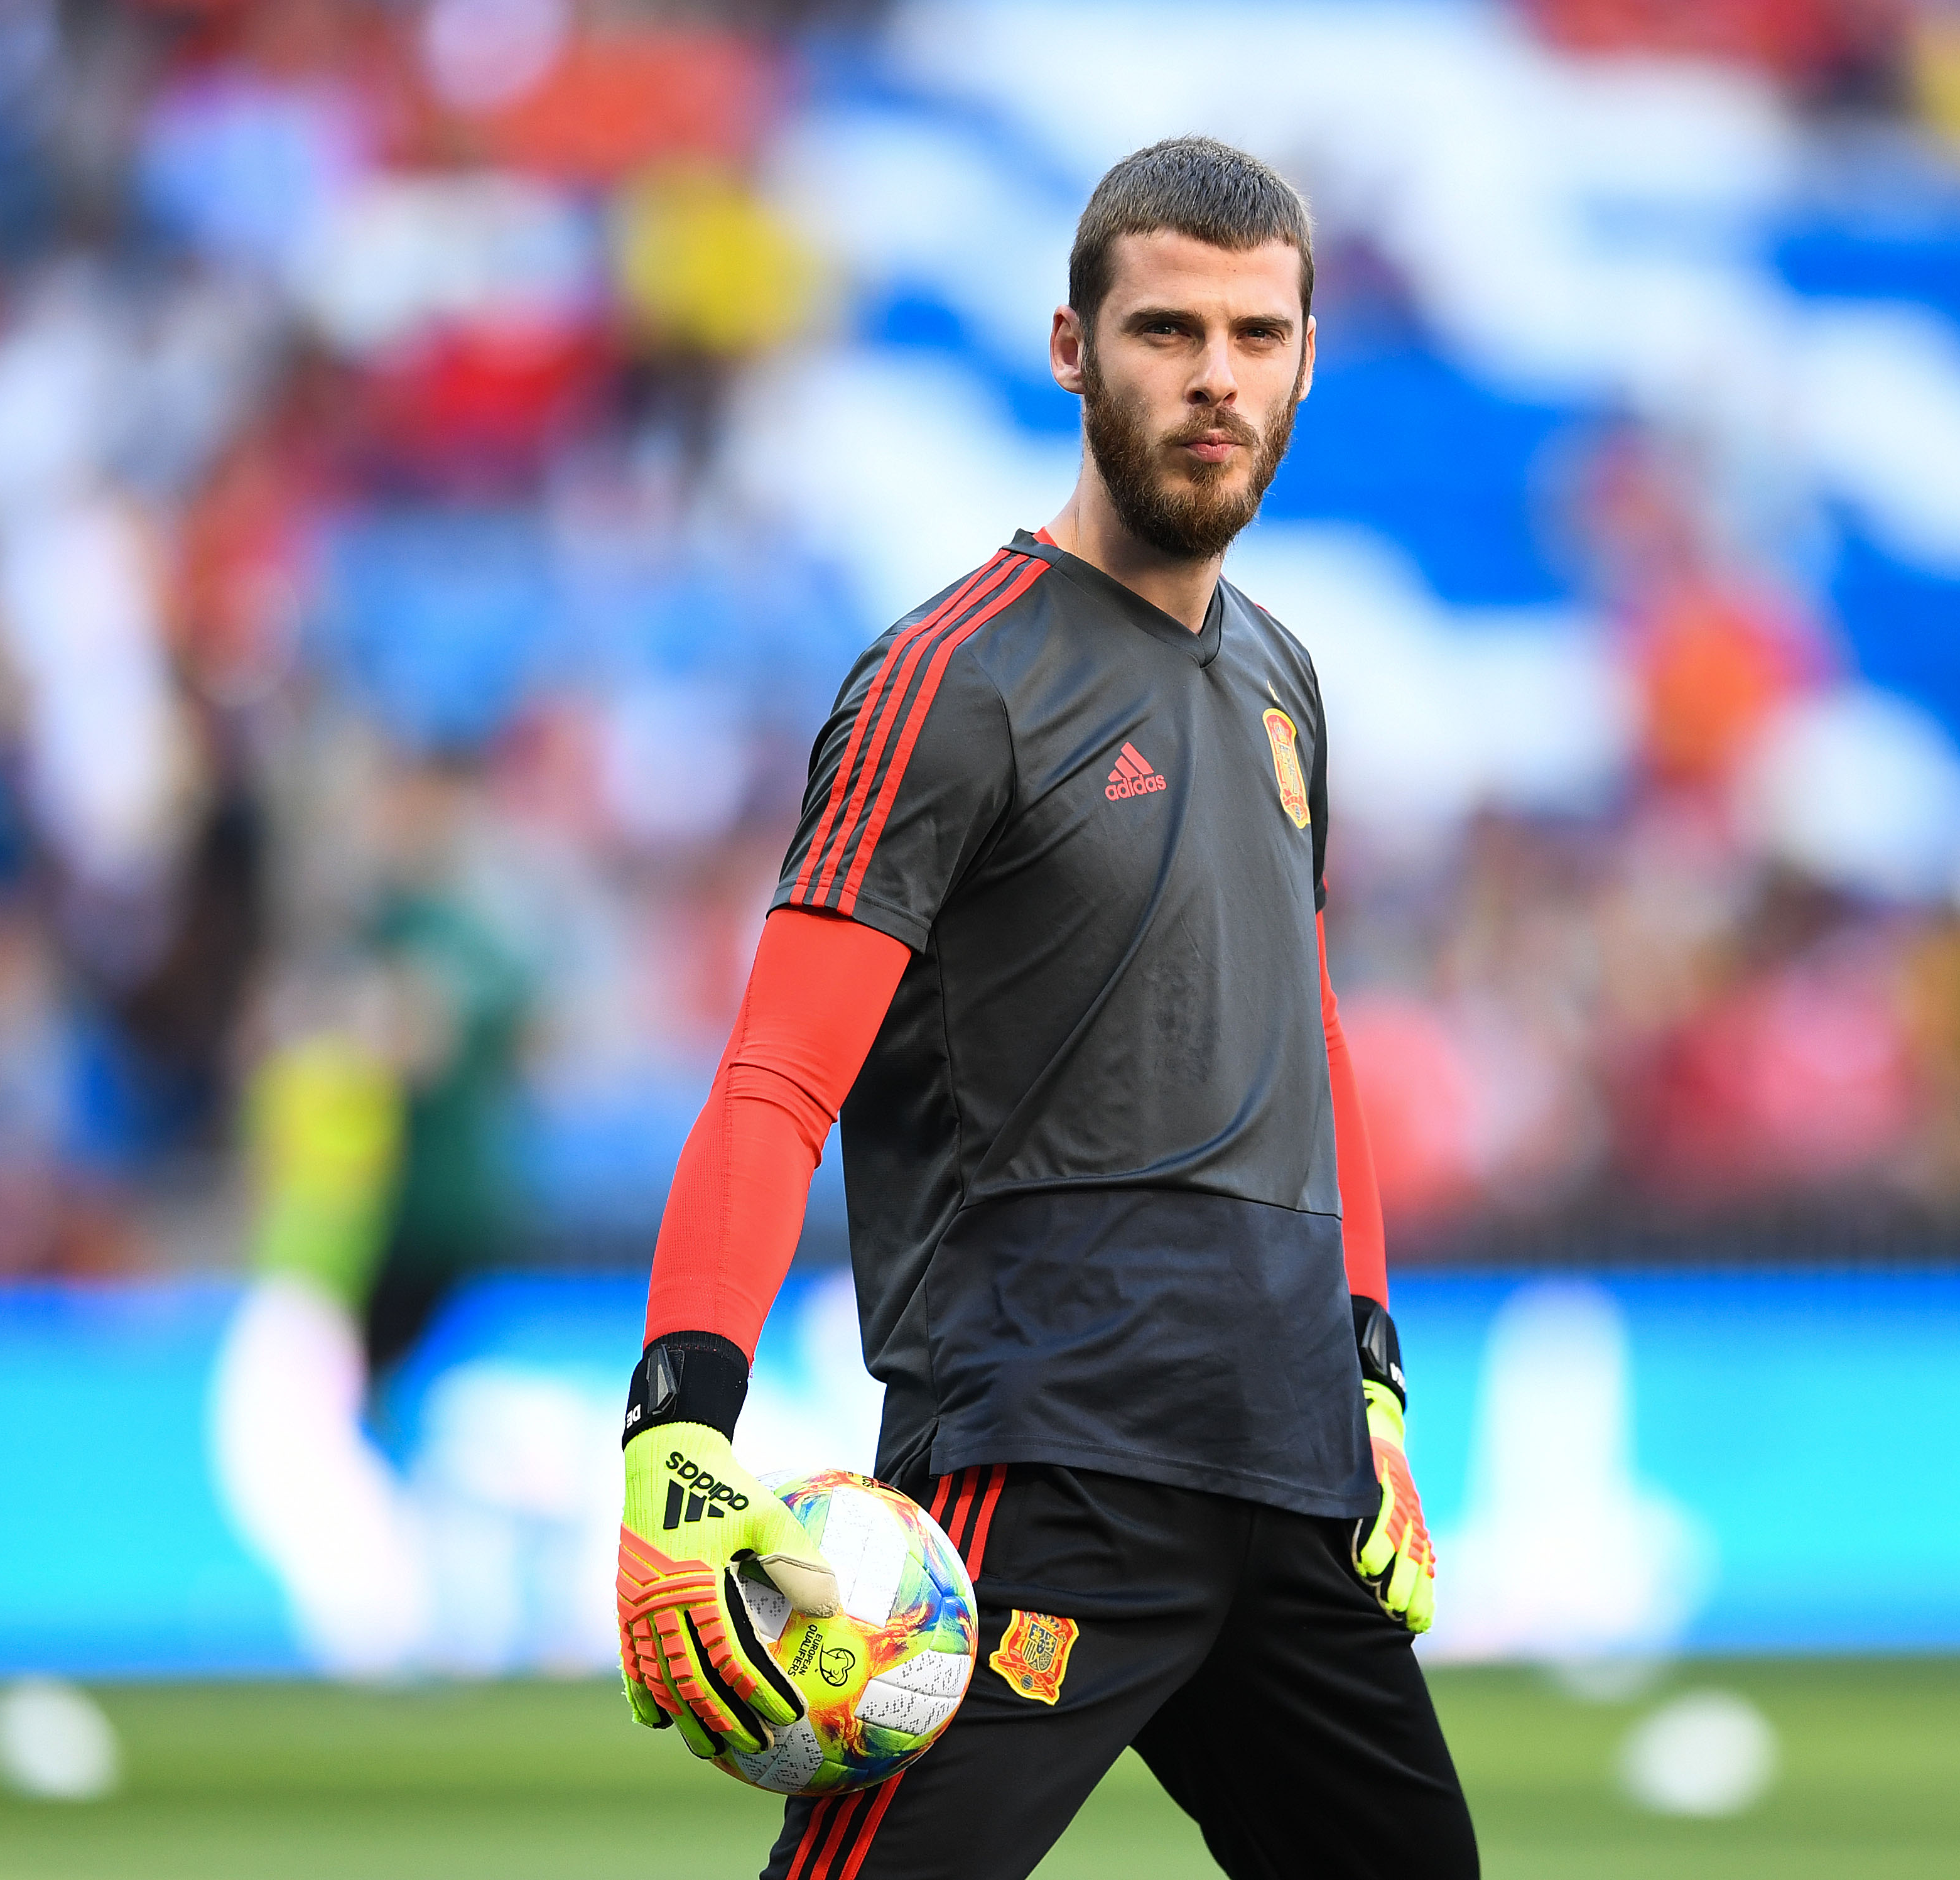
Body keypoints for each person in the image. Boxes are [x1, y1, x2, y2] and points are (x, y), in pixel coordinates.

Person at [612, 138, 1478, 1880]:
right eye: (1168, 330)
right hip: (1042, 1463)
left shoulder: (1285, 679)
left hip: (1290, 1475)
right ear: (1073, 347)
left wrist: (1371, 1379)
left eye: (1256, 334)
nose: (1216, 377)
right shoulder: (952, 680)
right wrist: (679, 1423)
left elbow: (1306, 1039)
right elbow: (777, 1076)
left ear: (1308, 358)